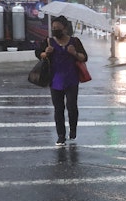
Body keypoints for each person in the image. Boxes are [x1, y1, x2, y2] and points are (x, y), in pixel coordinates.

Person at [34, 16, 88, 146]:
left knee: (72, 107)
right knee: (58, 109)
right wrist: (45, 53)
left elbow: (84, 57)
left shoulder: (74, 41)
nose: (55, 30)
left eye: (57, 28)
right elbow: (38, 53)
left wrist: (74, 53)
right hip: (55, 80)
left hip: (71, 79)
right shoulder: (49, 41)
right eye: (53, 28)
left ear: (65, 28)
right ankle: (61, 135)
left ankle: (73, 129)